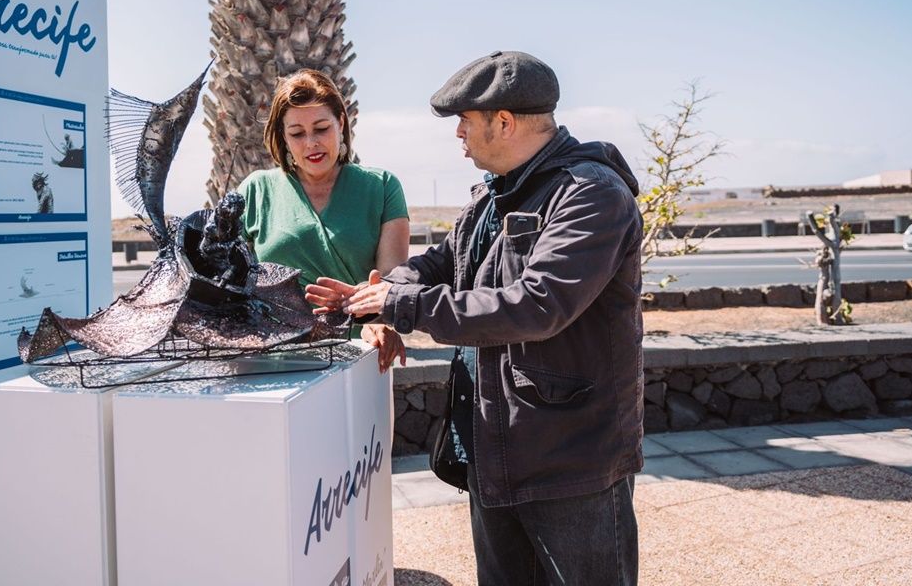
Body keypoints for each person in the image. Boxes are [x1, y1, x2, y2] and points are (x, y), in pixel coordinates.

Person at [307, 51, 644, 585]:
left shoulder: (591, 194)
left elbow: (536, 305)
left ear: (504, 122)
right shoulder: (492, 195)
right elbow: (439, 264)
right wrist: (381, 291)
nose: (458, 134)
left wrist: (400, 306)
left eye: (465, 121)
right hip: (496, 449)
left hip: (571, 463)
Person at [238, 68, 411, 372]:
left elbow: (390, 282)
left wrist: (376, 322)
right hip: (270, 364)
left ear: (341, 124)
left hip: (359, 357)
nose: (311, 143)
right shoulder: (255, 190)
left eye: (321, 129)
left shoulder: (382, 187)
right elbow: (224, 279)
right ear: (283, 137)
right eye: (297, 134)